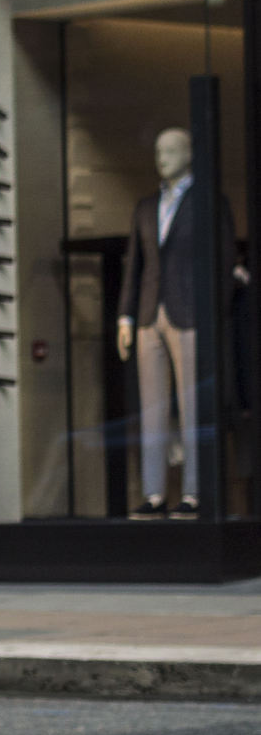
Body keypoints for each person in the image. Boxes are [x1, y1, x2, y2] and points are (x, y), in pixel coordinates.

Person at [119, 125, 250, 519]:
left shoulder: (210, 202)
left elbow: (225, 261)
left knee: (194, 409)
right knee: (153, 409)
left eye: (171, 150)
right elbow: (135, 267)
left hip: (192, 316)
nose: (162, 158)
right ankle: (155, 494)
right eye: (158, 150)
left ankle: (195, 493)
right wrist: (126, 315)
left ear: (190, 154)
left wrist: (214, 315)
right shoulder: (145, 207)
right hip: (148, 315)